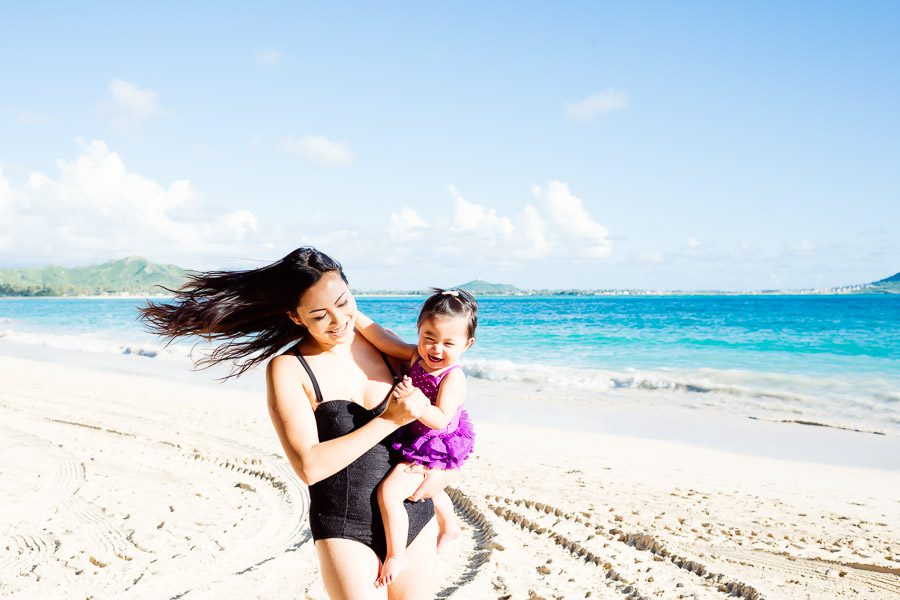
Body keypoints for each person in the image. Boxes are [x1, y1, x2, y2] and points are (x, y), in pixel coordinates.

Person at [139, 247, 455, 599]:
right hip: (345, 527)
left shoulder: (386, 347)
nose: (338, 322)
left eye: (343, 302)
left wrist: (444, 473)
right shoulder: (288, 368)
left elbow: (443, 416)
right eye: (319, 316)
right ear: (295, 316)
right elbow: (309, 466)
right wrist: (387, 420)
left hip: (413, 513)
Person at [354, 289, 477, 587]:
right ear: (419, 331)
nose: (436, 349)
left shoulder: (452, 377)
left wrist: (417, 402)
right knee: (425, 488)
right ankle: (449, 526)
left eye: (448, 343)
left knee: (391, 492)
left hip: (435, 445)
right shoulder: (415, 356)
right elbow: (382, 338)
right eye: (429, 337)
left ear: (467, 344)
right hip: (414, 433)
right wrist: (353, 314)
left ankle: (397, 555)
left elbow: (441, 418)